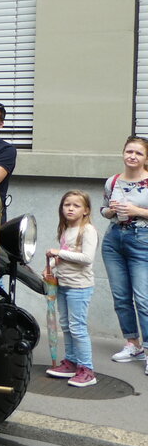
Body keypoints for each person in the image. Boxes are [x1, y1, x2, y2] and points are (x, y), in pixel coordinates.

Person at [100, 135, 148, 372]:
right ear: (123, 153)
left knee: (143, 299)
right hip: (113, 241)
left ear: (146, 158)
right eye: (129, 151)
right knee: (121, 297)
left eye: (138, 153)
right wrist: (110, 211)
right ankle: (133, 343)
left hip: (142, 242)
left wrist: (136, 210)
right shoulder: (113, 181)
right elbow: (103, 208)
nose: (132, 156)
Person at [43, 191, 99, 387]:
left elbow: (87, 258)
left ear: (86, 211)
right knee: (66, 325)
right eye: (67, 204)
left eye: (76, 205)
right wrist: (51, 267)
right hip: (64, 284)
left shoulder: (88, 230)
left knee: (78, 327)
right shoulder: (66, 230)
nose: (71, 208)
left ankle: (87, 369)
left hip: (79, 287)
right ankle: (71, 362)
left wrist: (60, 252)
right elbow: (63, 258)